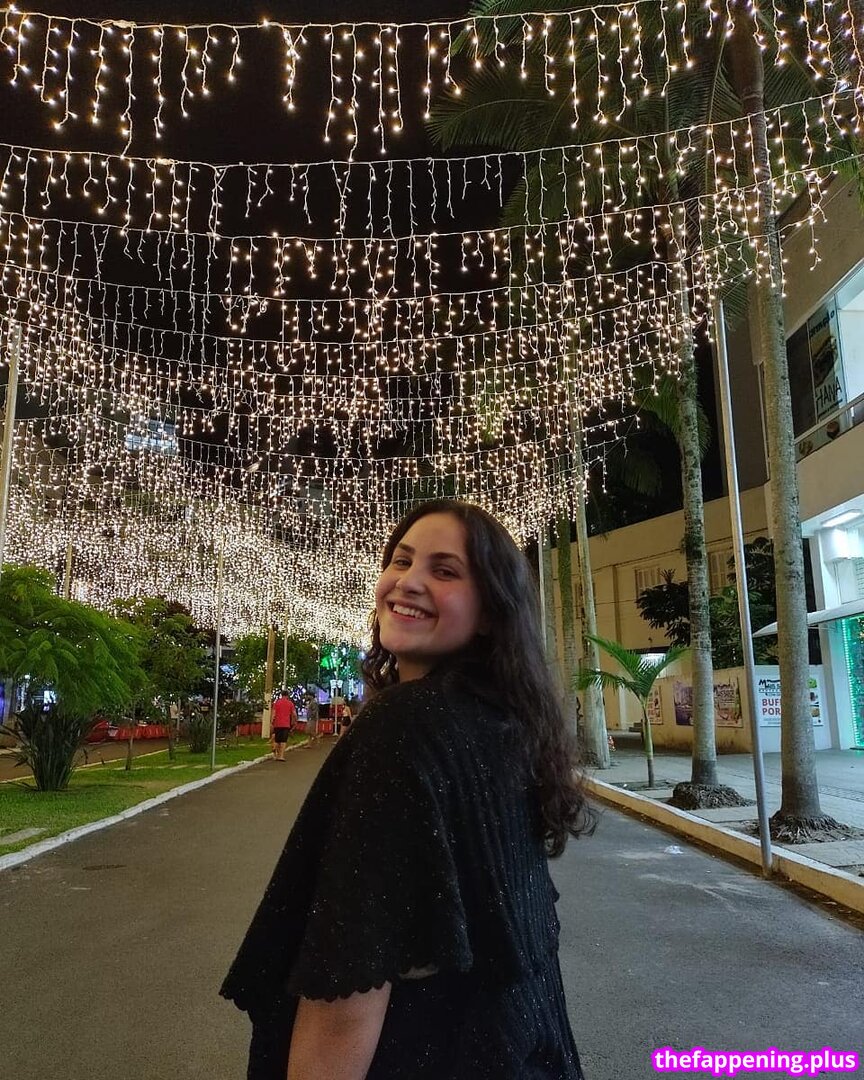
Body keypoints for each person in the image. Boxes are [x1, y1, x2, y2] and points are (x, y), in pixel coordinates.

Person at [221, 499, 594, 1079]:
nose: (408, 582)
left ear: (490, 611)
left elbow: (348, 984)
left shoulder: (404, 727)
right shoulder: (506, 725)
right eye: (401, 560)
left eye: (444, 571)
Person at [270, 689, 297, 761]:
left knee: (277, 740)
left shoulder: (277, 703)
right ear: (287, 695)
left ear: (281, 695)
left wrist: (271, 722)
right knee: (283, 741)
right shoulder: (290, 703)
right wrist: (295, 720)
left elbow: (273, 714)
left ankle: (275, 749)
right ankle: (281, 756)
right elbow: (294, 714)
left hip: (277, 724)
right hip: (286, 724)